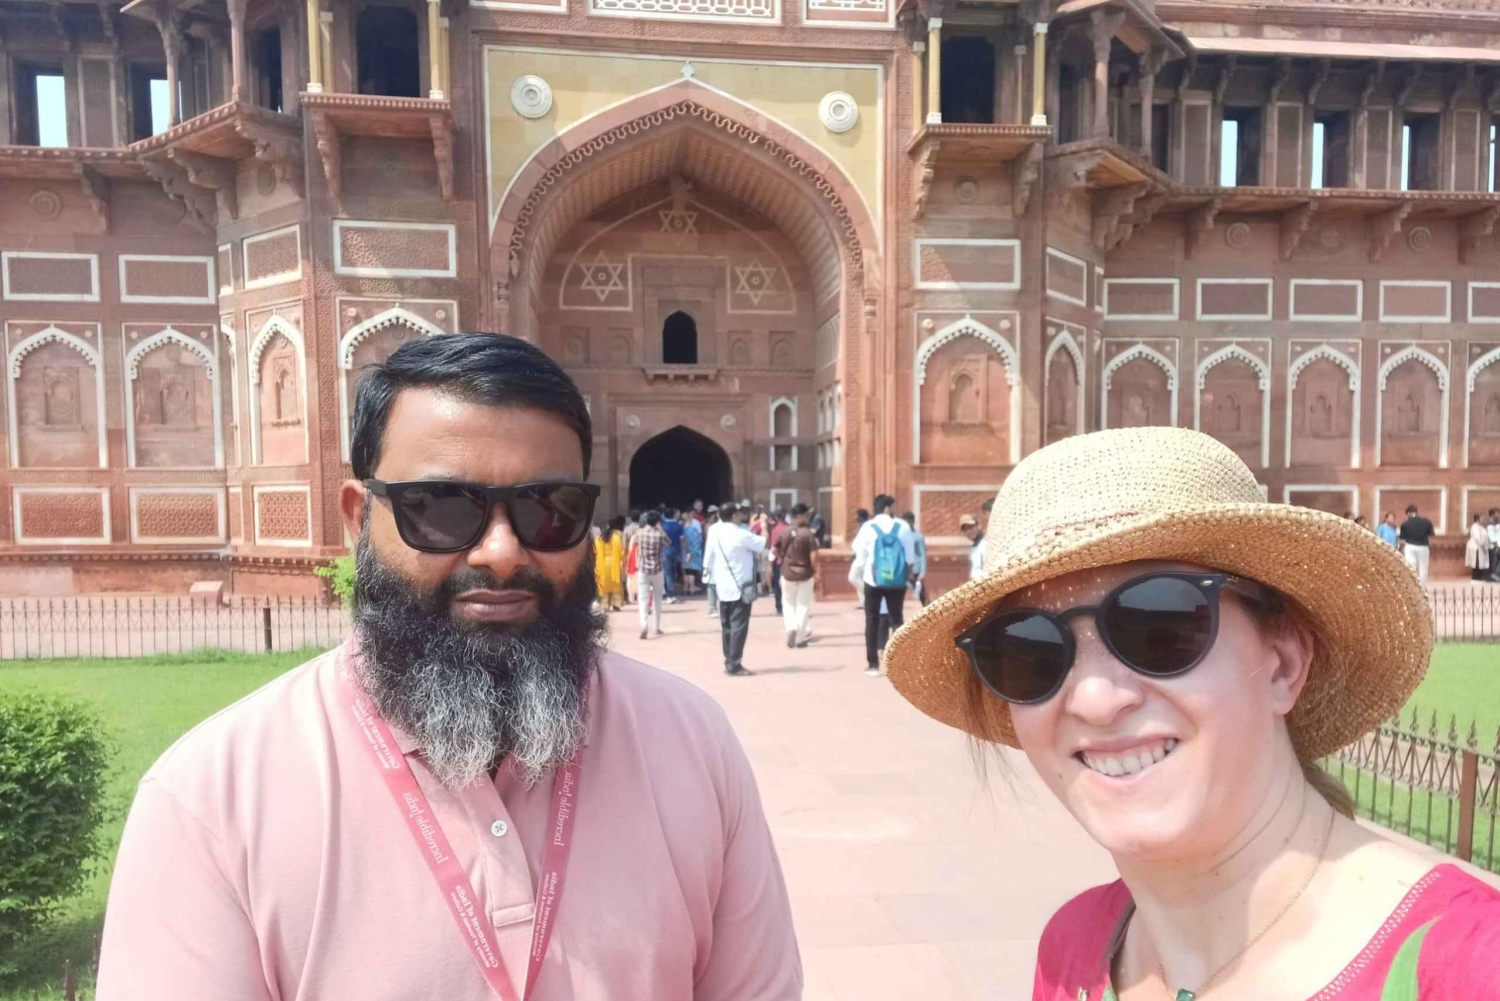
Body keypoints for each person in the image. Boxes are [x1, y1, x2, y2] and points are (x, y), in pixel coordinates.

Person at [97, 333, 801, 1000]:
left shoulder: (690, 743)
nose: (501, 551)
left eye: (548, 509)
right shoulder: (216, 801)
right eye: (438, 508)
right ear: (357, 518)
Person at [885, 426, 1500, 1001]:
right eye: (1029, 650)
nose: (1096, 699)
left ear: (1283, 664)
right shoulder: (1076, 951)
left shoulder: (1467, 968)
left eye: (1160, 625)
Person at [850, 494, 917, 677]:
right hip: (897, 580)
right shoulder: (903, 526)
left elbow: (859, 554)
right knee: (897, 620)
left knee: (871, 620)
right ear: (887, 508)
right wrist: (906, 578)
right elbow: (910, 558)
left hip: (873, 580)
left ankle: (873, 664)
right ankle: (900, 663)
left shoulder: (868, 527)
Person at [703, 503, 765, 676]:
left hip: (723, 586)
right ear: (734, 515)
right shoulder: (741, 534)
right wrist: (763, 525)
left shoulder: (715, 531)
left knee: (727, 626)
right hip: (740, 587)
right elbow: (763, 543)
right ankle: (734, 663)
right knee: (739, 626)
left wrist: (706, 576)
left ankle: (729, 659)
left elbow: (709, 555)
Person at [774, 504, 820, 648]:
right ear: (800, 516)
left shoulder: (783, 531)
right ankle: (800, 637)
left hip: (787, 573)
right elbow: (814, 556)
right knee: (803, 605)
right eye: (806, 515)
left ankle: (791, 628)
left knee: (788, 603)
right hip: (805, 573)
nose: (808, 518)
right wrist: (816, 572)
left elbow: (774, 549)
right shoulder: (808, 534)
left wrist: (782, 557)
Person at [634, 510, 668, 640]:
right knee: (657, 599)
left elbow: (635, 543)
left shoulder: (640, 532)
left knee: (643, 599)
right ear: (658, 522)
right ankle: (657, 626)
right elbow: (668, 543)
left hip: (643, 569)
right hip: (657, 570)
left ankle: (644, 625)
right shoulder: (660, 534)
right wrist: (659, 529)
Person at [1398, 503, 1436, 586]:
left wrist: (1400, 549)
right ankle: (1422, 588)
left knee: (1411, 567)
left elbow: (1402, 538)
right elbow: (1431, 534)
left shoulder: (1405, 524)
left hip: (1410, 546)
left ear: (1408, 514)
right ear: (1416, 512)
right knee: (1423, 568)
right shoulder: (1426, 522)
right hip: (1423, 547)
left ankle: (1412, 587)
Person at [593, 517, 624, 612]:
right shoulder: (616, 538)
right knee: (615, 585)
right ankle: (615, 604)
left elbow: (595, 552)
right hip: (614, 564)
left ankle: (605, 604)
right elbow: (621, 552)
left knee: (604, 584)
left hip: (602, 564)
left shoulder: (599, 539)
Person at [903, 511, 929, 607]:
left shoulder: (918, 536)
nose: (908, 524)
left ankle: (928, 610)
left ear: (913, 522)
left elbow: (922, 554)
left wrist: (923, 571)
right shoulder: (901, 535)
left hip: (915, 569)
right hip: (904, 569)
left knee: (921, 593)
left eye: (910, 521)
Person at [768, 508, 790, 616]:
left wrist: (780, 557)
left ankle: (780, 608)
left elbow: (773, 549)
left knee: (777, 585)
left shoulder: (776, 530)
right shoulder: (790, 527)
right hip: (790, 561)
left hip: (779, 561)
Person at [849, 508, 871, 609]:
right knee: (860, 579)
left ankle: (869, 593)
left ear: (861, 517)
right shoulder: (861, 526)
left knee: (852, 578)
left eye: (857, 516)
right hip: (859, 556)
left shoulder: (866, 526)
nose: (855, 518)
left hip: (863, 558)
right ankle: (863, 602)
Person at [661, 507, 683, 604]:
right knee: (672, 573)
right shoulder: (678, 525)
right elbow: (682, 539)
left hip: (665, 551)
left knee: (667, 573)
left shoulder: (662, 526)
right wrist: (687, 551)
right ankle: (670, 593)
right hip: (676, 551)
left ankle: (669, 593)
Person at [680, 510, 704, 596]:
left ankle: (686, 587)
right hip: (693, 552)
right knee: (692, 572)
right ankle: (692, 588)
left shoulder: (682, 530)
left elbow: (682, 542)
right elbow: (699, 541)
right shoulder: (693, 530)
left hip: (684, 552)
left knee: (686, 571)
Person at [703, 505, 721, 617]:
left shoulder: (710, 527)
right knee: (713, 583)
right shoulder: (710, 526)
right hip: (717, 558)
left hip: (714, 557)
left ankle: (713, 608)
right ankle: (715, 608)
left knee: (712, 584)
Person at [1466, 513, 1492, 583]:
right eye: (1482, 518)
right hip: (1476, 547)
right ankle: (1475, 578)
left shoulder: (1481, 527)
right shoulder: (1474, 527)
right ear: (1477, 519)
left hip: (1482, 547)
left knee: (1481, 563)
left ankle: (1480, 578)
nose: (1483, 520)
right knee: (1476, 562)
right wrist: (1482, 545)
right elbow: (1477, 537)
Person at [960, 514, 985, 581]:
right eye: (965, 530)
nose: (969, 531)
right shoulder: (974, 548)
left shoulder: (986, 543)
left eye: (971, 527)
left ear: (978, 525)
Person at [1489, 509, 1500, 583]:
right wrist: (1496, 545)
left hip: (1498, 545)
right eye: (1497, 514)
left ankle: (1496, 575)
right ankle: (1495, 575)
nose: (1499, 515)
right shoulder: (1490, 524)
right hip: (1495, 546)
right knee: (1494, 561)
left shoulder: (1497, 523)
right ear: (1492, 515)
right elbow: (1491, 535)